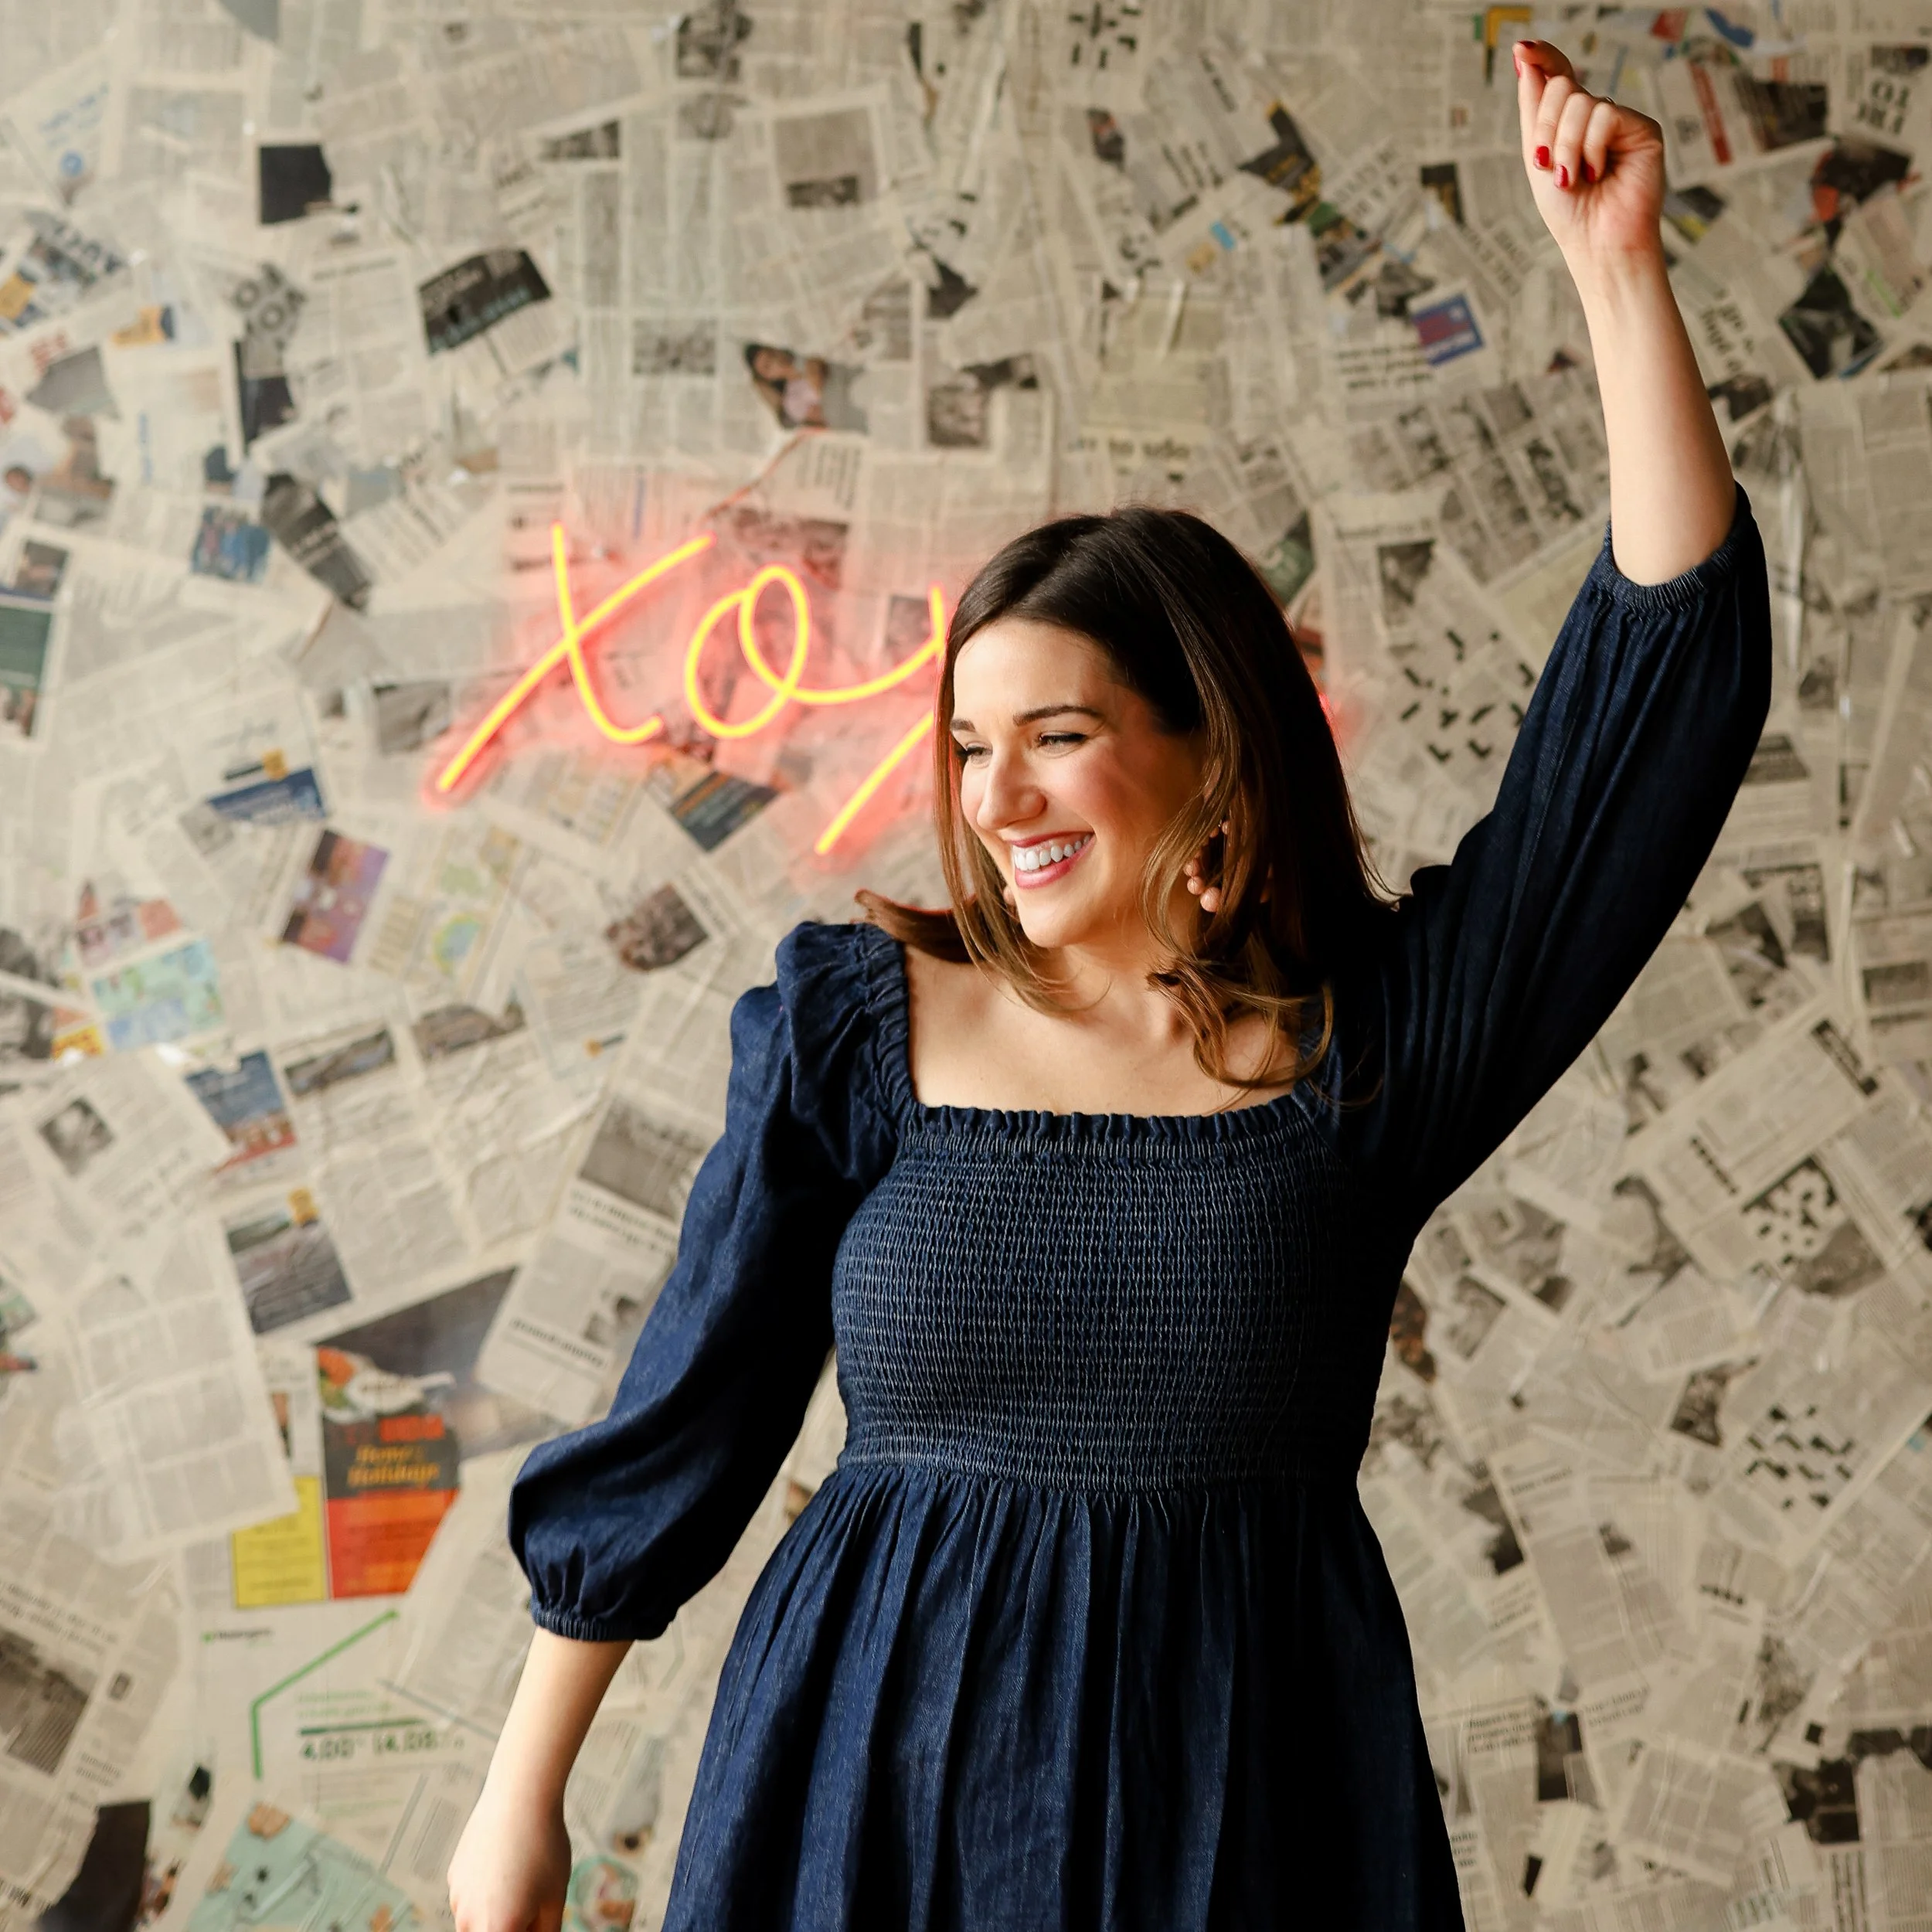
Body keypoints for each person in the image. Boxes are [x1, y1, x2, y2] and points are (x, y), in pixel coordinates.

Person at [448, 42, 1768, 1930]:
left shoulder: (1366, 1052)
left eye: (1054, 738)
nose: (994, 803)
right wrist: (522, 1796)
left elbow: (1646, 723)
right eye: (966, 748)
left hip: (1240, 1813)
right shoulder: (853, 1029)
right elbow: (689, 1410)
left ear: (1207, 750)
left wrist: (1617, 273)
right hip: (857, 1792)